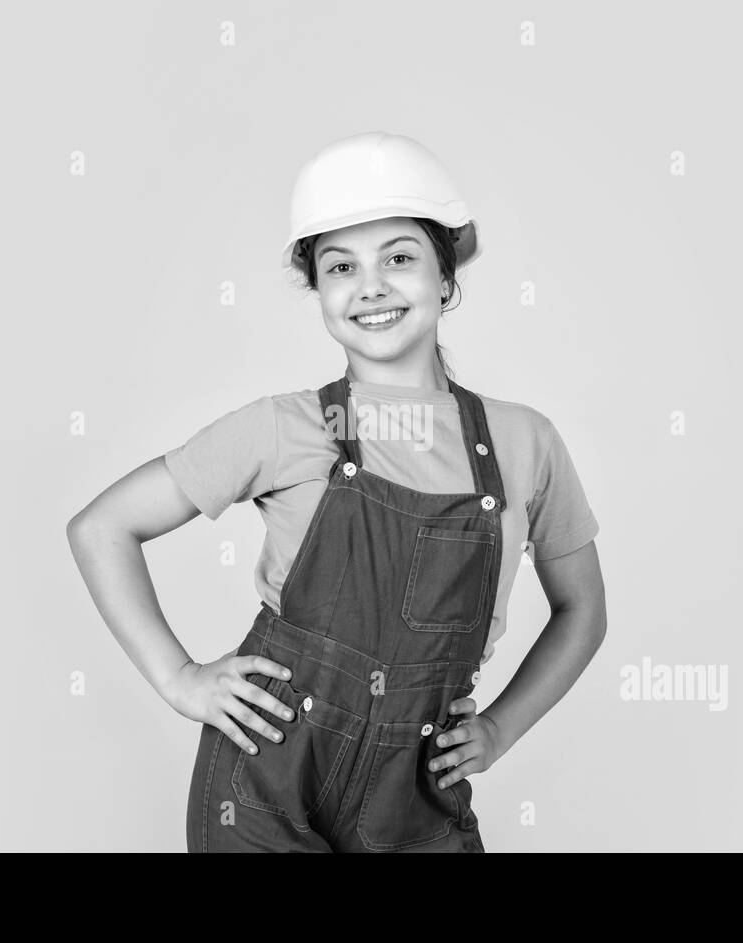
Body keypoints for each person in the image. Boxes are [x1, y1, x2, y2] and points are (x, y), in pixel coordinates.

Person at [67, 131, 607, 853]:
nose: (372, 286)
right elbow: (101, 527)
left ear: (446, 277)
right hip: (265, 785)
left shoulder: (525, 442)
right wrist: (181, 678)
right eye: (341, 265)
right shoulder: (281, 428)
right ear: (318, 290)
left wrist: (500, 726)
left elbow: (584, 609)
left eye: (401, 258)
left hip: (416, 798)